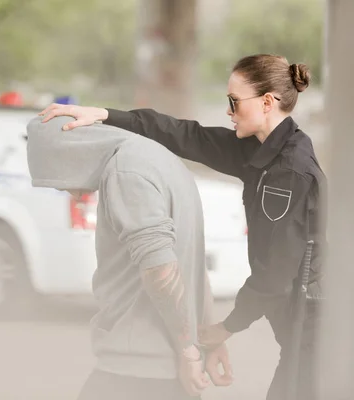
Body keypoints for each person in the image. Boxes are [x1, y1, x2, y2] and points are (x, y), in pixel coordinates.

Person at [39, 54, 327, 400]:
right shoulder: (261, 151)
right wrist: (105, 115)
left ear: (267, 102)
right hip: (301, 328)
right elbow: (184, 134)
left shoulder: (288, 172)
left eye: (234, 102)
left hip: (315, 331)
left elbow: (275, 275)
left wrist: (226, 327)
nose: (228, 111)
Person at [25, 115, 232, 400]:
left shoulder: (125, 173)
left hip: (137, 372)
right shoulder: (160, 157)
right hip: (166, 371)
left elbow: (161, 270)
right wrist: (207, 340)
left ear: (68, 155)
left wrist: (188, 353)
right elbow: (193, 264)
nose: (68, 192)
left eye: (60, 180)